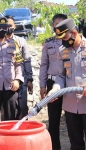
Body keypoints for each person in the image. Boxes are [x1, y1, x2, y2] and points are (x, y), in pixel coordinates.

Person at [48, 18, 86, 150]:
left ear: (74, 33)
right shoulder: (62, 50)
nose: (62, 41)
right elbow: (60, 76)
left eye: (65, 37)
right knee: (75, 144)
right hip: (70, 105)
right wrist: (55, 89)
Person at [39, 14, 67, 150]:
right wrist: (42, 85)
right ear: (53, 26)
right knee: (54, 120)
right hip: (52, 85)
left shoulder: (71, 42)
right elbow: (44, 65)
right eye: (57, 24)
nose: (60, 27)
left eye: (63, 24)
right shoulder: (48, 43)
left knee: (74, 119)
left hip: (71, 85)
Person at [5, 15, 33, 119]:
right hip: (7, 81)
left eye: (10, 25)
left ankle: (22, 131)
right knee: (7, 110)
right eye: (6, 25)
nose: (8, 27)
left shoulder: (21, 42)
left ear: (15, 26)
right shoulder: (0, 42)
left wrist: (30, 79)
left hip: (22, 81)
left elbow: (26, 60)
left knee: (22, 107)